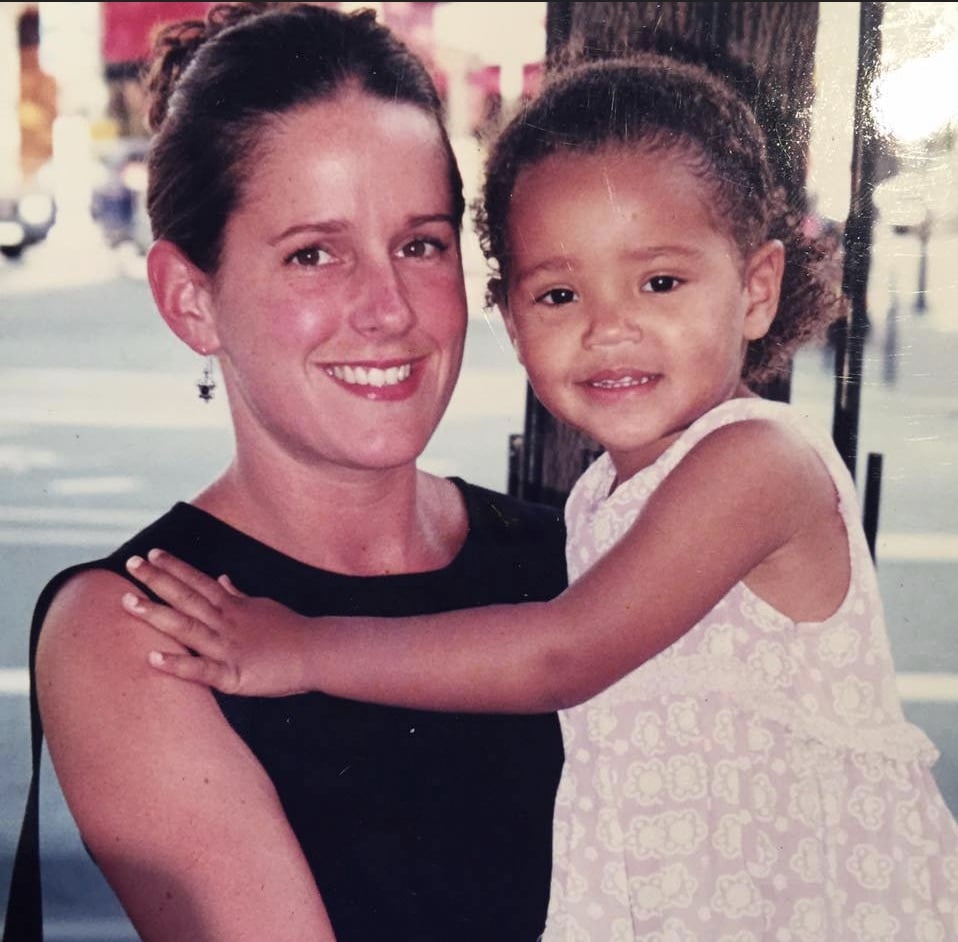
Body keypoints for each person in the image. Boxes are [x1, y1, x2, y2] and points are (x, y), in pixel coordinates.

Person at [122, 54, 958, 940]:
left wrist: (302, 650)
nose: (609, 326)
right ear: (514, 324)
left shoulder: (756, 461)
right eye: (559, 293)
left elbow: (564, 655)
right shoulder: (604, 496)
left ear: (755, 290)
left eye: (661, 282)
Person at [2, 4, 569, 941]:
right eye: (314, 254)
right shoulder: (142, 626)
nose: (386, 308)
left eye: (420, 244)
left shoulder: (587, 559)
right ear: (193, 302)